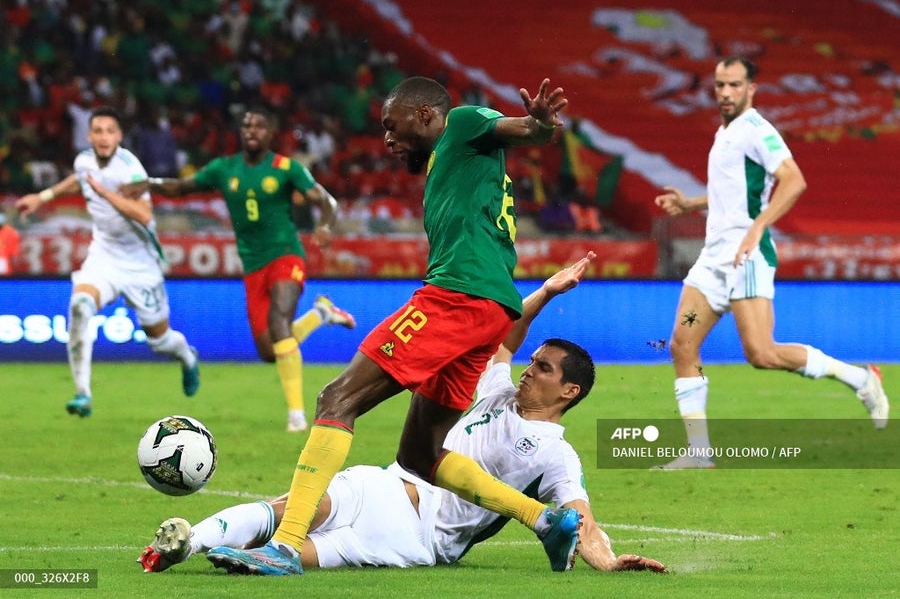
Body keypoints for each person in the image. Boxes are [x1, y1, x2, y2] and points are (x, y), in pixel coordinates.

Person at [207, 77, 583, 576]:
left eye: (392, 125)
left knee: (337, 399)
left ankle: (285, 546)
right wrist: (537, 129)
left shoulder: (463, 123)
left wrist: (539, 124)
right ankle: (545, 521)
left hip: (458, 295)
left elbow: (523, 131)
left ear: (425, 114)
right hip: (490, 307)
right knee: (420, 456)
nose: (386, 138)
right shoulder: (452, 161)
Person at [139, 255, 667, 574]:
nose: (529, 370)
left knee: (296, 540)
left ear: (570, 390)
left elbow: (581, 520)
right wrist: (547, 292)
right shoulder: (497, 388)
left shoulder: (557, 454)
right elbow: (506, 336)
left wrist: (609, 560)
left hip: (422, 537)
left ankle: (212, 545)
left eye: (544, 369)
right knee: (294, 518)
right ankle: (187, 542)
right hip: (389, 486)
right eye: (533, 362)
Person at [653, 56, 890, 469]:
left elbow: (794, 179)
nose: (726, 92)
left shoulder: (757, 130)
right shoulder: (725, 132)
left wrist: (758, 226)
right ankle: (698, 451)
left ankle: (861, 377)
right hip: (713, 259)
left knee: (762, 354)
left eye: (735, 85)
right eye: (720, 85)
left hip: (746, 257)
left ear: (751, 89)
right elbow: (734, 193)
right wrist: (691, 204)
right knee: (682, 344)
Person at [126, 108, 356, 433]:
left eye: (259, 126)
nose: (252, 130)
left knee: (279, 323)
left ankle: (296, 415)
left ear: (271, 133)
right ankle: (321, 313)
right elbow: (182, 187)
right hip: (252, 265)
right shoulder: (225, 168)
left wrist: (325, 225)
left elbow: (327, 201)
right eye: (247, 125)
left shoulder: (286, 168)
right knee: (269, 351)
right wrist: (149, 182)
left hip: (286, 255)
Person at [15, 105, 200, 418]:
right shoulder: (84, 161)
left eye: (110, 132)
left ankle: (187, 357)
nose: (103, 137)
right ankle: (82, 394)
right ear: (89, 136)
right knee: (80, 306)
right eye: (98, 131)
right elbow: (79, 180)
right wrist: (42, 197)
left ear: (119, 136)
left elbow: (144, 215)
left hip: (140, 264)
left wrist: (107, 194)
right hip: (104, 256)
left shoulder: (130, 169)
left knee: (160, 341)